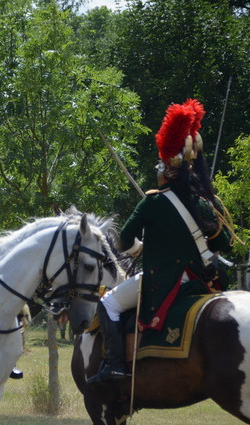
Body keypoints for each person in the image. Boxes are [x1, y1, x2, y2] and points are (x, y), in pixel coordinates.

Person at [89, 99, 234, 384]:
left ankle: (115, 366)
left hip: (164, 281)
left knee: (108, 304)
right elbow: (225, 244)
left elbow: (123, 240)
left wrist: (138, 249)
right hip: (202, 280)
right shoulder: (206, 202)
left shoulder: (153, 202)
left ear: (167, 167)